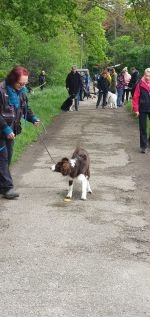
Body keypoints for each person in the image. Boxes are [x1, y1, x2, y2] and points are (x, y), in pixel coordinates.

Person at [0, 66, 40, 199]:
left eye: (25, 83)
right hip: (2, 129)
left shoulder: (21, 92)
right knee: (3, 158)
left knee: (8, 157)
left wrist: (32, 118)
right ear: (13, 79)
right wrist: (6, 129)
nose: (23, 86)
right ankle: (7, 188)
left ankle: (2, 185)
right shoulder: (1, 90)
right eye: (20, 83)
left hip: (12, 130)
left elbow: (25, 108)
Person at [132, 68, 150, 154]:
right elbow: (135, 97)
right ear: (144, 75)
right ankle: (143, 146)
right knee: (143, 128)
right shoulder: (140, 84)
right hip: (142, 108)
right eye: (146, 76)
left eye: (149, 76)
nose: (148, 78)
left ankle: (148, 143)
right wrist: (136, 109)